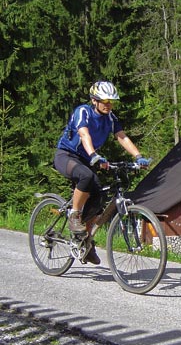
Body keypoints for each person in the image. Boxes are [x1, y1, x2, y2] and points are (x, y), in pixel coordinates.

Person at [53, 81, 150, 264]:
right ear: (94, 100)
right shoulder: (84, 112)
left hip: (87, 159)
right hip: (66, 156)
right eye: (104, 100)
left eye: (111, 101)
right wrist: (94, 155)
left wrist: (138, 156)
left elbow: (122, 137)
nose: (108, 104)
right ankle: (74, 215)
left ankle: (86, 241)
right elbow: (84, 135)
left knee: (98, 197)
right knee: (86, 176)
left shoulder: (110, 118)